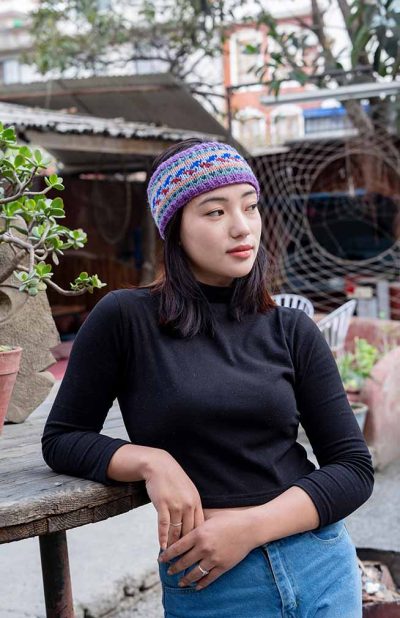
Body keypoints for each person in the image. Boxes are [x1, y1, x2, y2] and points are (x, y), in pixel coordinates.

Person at [42, 139, 374, 617]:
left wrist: (249, 528)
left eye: (250, 206)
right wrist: (151, 462)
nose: (242, 226)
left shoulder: (290, 328)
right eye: (215, 212)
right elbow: (63, 438)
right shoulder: (126, 318)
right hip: (212, 581)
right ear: (175, 229)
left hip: (320, 563)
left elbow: (353, 469)